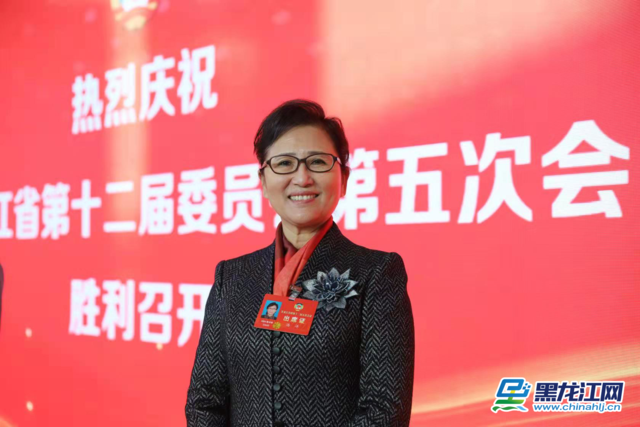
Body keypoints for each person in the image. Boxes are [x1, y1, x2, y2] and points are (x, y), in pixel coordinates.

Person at [185, 99, 415, 427]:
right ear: (263, 182)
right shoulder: (231, 277)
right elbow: (204, 399)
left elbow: (384, 410)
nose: (302, 178)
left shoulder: (376, 274)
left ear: (343, 179)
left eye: (318, 162)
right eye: (284, 164)